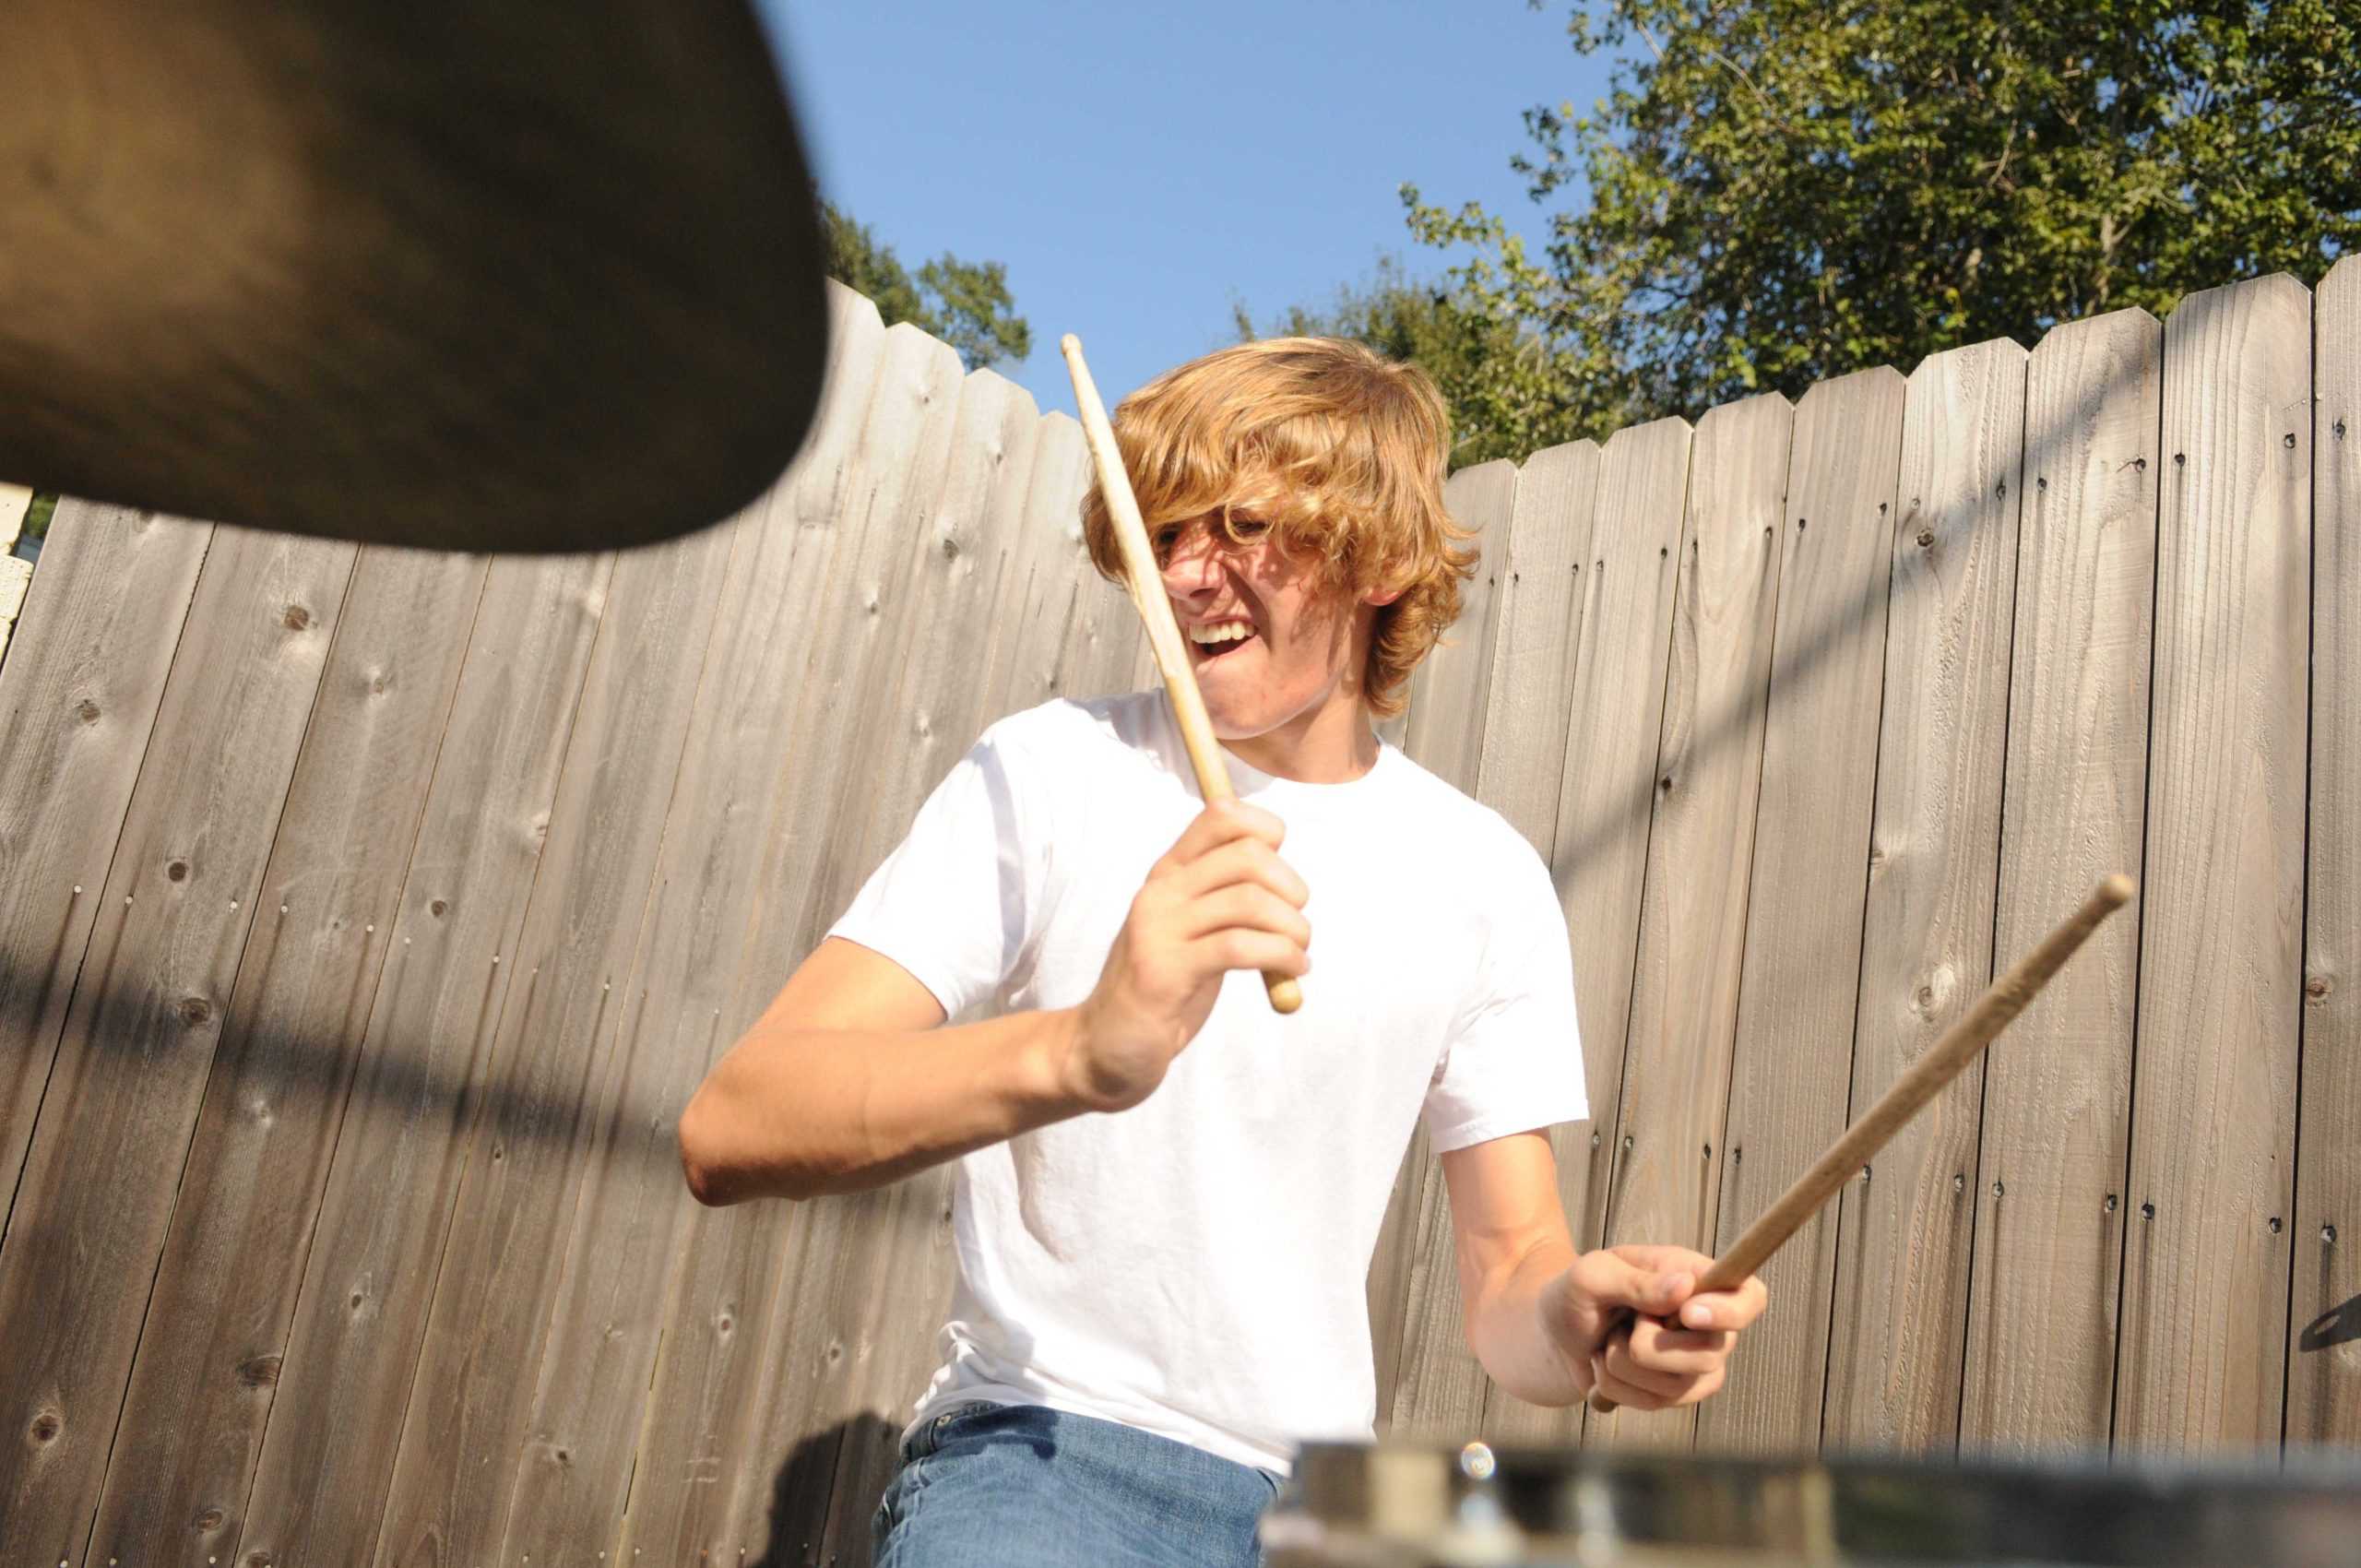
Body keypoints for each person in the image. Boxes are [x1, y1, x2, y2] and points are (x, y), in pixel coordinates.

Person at [677, 338, 1768, 1567]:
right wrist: (1081, 1051)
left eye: (1242, 525)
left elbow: (1510, 1264)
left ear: (1389, 562)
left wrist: (1581, 1327)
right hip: (1042, 1464)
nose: (1188, 575)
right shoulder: (1054, 771)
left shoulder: (1486, 877)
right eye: (1166, 531)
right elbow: (733, 1126)